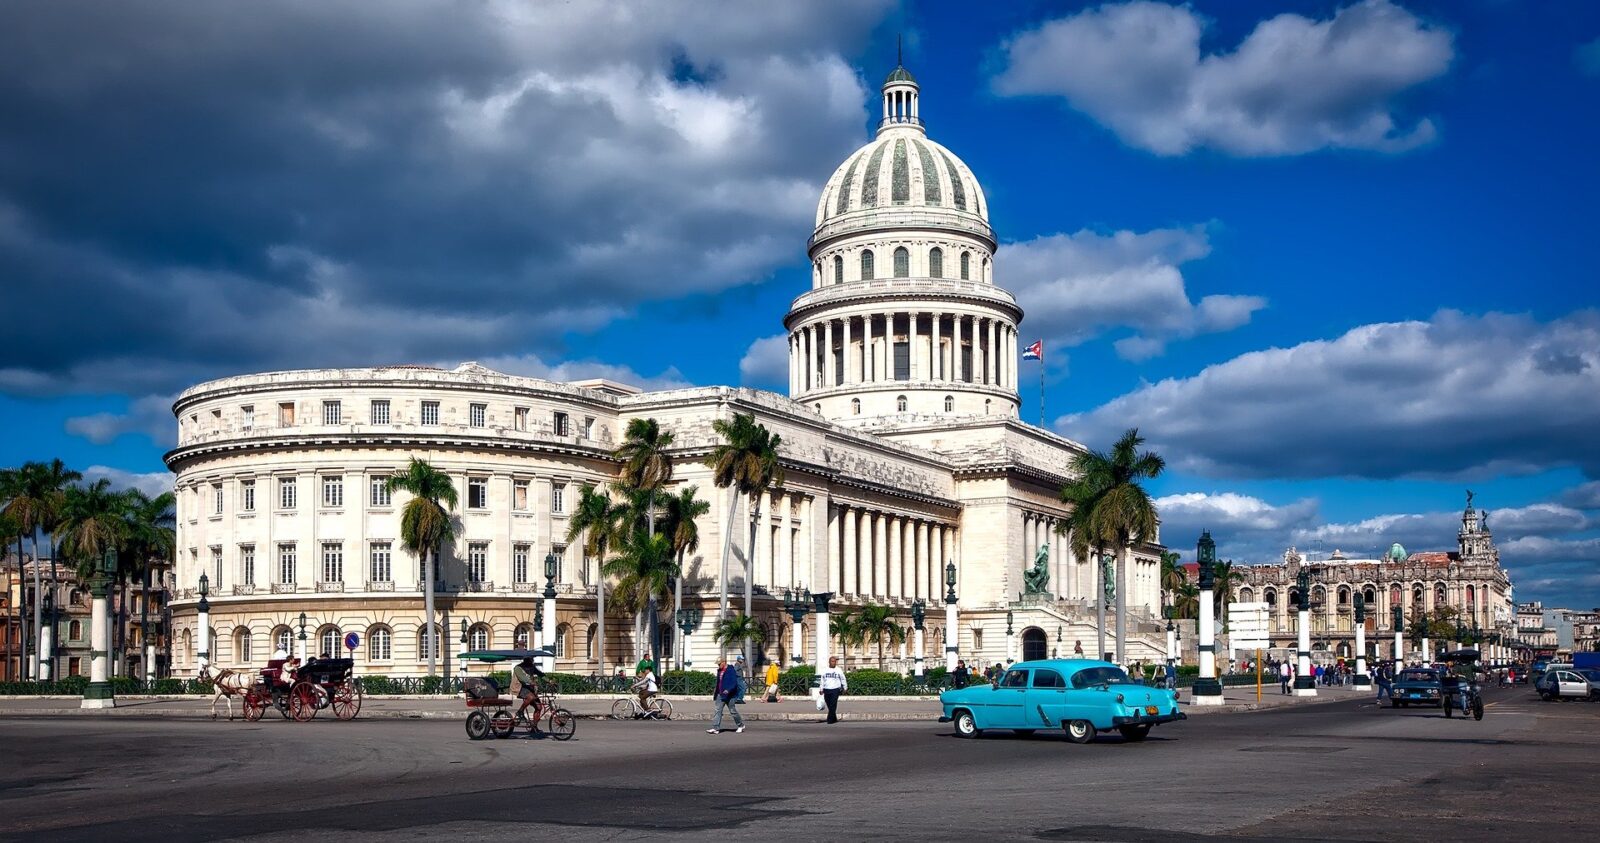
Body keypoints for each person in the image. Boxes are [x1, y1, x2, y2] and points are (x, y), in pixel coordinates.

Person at [706, 657, 744, 734]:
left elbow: (734, 682)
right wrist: (716, 691)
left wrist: (728, 689)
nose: (718, 665)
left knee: (732, 711)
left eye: (719, 664)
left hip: (730, 695)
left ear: (724, 662)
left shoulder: (731, 670)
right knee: (718, 710)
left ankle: (740, 725)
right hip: (720, 694)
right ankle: (716, 728)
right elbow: (719, 682)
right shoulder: (719, 671)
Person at [819, 655, 848, 724]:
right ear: (829, 662)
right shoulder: (825, 670)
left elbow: (843, 679)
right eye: (832, 661)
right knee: (829, 704)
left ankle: (830, 720)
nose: (834, 663)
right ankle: (834, 718)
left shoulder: (838, 670)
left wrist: (845, 687)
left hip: (835, 689)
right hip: (827, 689)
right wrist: (821, 689)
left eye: (835, 662)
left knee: (833, 704)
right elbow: (822, 680)